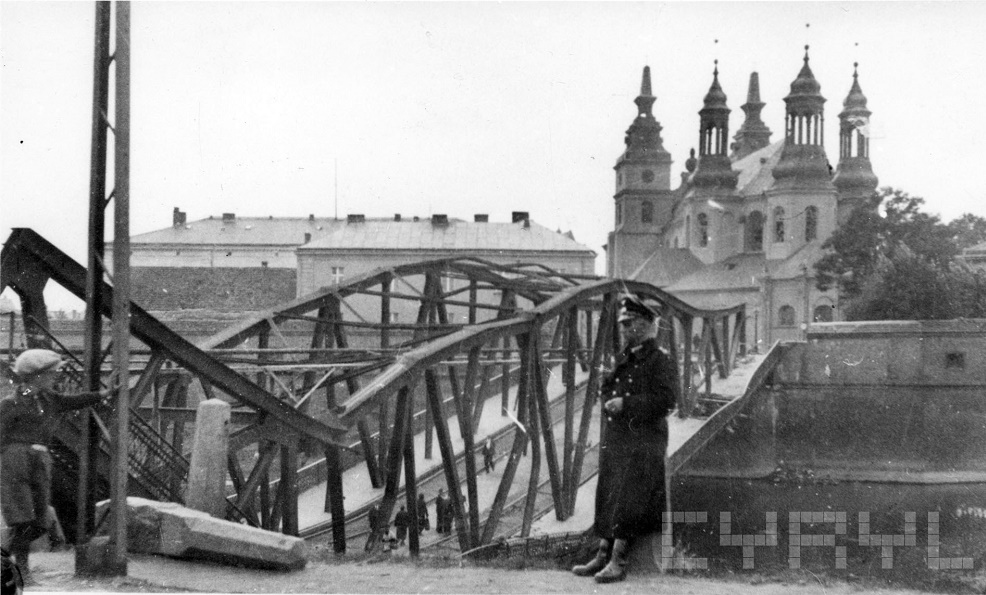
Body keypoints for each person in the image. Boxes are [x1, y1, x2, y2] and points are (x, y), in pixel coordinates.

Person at [571, 296, 679, 584]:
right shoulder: (625, 357)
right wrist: (607, 397)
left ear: (644, 325)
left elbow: (667, 401)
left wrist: (626, 405)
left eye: (628, 324)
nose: (623, 329)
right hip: (620, 438)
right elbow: (609, 388)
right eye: (622, 324)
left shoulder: (660, 360)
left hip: (644, 442)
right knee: (608, 492)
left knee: (629, 497)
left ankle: (618, 560)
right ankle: (602, 554)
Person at [0, 349, 114, 581]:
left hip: (41, 461)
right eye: (51, 373)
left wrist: (104, 393)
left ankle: (13, 566)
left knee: (40, 523)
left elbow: (75, 401)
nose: (55, 377)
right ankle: (21, 570)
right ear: (36, 375)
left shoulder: (50, 399)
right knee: (23, 520)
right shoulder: (10, 403)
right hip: (16, 461)